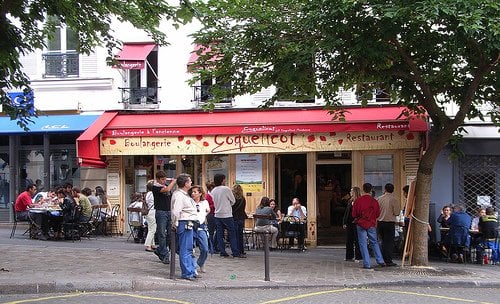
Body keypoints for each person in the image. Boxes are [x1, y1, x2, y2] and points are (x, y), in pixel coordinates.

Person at [171, 173, 199, 281]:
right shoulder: (179, 195)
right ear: (185, 183)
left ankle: (191, 270)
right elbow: (176, 211)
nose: (191, 182)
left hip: (189, 222)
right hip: (184, 222)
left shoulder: (184, 194)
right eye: (190, 181)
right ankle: (187, 272)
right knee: (185, 248)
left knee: (189, 248)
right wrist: (175, 223)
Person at [352, 182, 386, 270]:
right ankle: (380, 260)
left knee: (363, 243)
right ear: (371, 190)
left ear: (363, 189)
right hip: (371, 223)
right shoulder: (374, 201)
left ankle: (367, 263)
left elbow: (354, 214)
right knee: (374, 242)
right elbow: (378, 214)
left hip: (361, 223)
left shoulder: (358, 200)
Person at [211, 173, 242, 258]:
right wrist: (228, 205)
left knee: (219, 234)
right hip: (227, 214)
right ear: (222, 180)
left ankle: (222, 251)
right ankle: (235, 252)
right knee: (232, 233)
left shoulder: (213, 191)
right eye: (224, 179)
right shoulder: (226, 189)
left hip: (217, 214)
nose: (225, 181)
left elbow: (213, 202)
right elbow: (233, 200)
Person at [152, 171, 176, 264]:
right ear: (157, 179)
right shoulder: (155, 187)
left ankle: (160, 250)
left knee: (170, 234)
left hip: (169, 211)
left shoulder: (166, 185)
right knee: (161, 233)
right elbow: (166, 190)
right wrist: (173, 182)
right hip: (161, 211)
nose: (164, 181)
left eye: (165, 179)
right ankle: (164, 254)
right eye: (162, 179)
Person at [376, 183, 400, 267]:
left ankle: (381, 258)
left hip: (380, 222)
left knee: (382, 241)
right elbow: (397, 212)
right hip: (389, 223)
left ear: (385, 189)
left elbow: (376, 211)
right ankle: (388, 260)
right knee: (389, 242)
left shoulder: (379, 199)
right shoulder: (394, 199)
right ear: (393, 190)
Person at [189, 185, 210, 273]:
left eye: (195, 192)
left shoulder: (204, 202)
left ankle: (200, 263)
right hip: (191, 227)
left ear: (200, 193)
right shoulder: (189, 202)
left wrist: (203, 217)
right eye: (192, 192)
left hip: (201, 227)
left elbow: (208, 210)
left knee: (205, 248)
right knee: (191, 249)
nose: (193, 194)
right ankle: (193, 267)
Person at [342, 186, 362, 262]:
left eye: (351, 191)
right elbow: (347, 212)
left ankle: (358, 256)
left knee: (357, 240)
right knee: (349, 240)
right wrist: (344, 222)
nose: (350, 193)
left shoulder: (359, 201)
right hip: (349, 223)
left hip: (357, 223)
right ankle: (349, 256)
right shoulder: (350, 201)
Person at [232, 184, 248, 256]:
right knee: (240, 234)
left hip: (234, 217)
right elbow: (243, 208)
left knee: (235, 235)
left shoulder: (232, 199)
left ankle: (236, 250)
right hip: (241, 217)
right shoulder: (243, 199)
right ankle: (241, 250)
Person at [144, 180, 157, 252]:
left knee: (151, 228)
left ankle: (152, 244)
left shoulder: (148, 194)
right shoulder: (153, 194)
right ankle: (148, 245)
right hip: (153, 211)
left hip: (149, 212)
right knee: (153, 229)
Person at [205, 181, 217, 254]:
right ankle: (211, 247)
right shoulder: (207, 196)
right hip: (210, 214)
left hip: (215, 214)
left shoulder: (213, 195)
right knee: (211, 232)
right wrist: (215, 205)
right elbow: (207, 207)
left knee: (216, 231)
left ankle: (214, 246)